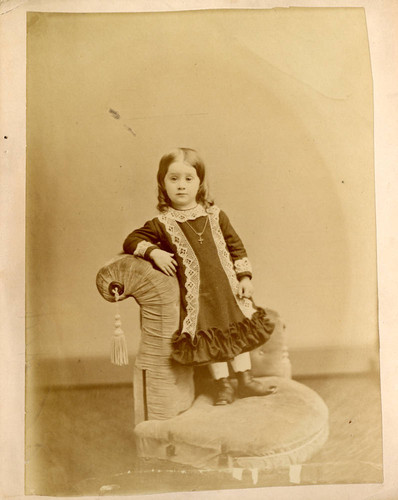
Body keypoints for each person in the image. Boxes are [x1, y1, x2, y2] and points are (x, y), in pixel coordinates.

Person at [123, 147, 276, 405]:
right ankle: (223, 385)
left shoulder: (215, 215)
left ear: (200, 182)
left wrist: (245, 278)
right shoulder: (163, 223)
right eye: (173, 179)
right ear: (162, 183)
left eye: (188, 178)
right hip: (200, 298)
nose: (181, 186)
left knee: (238, 332)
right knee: (211, 337)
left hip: (229, 291)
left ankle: (245, 380)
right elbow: (131, 240)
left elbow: (236, 247)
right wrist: (153, 253)